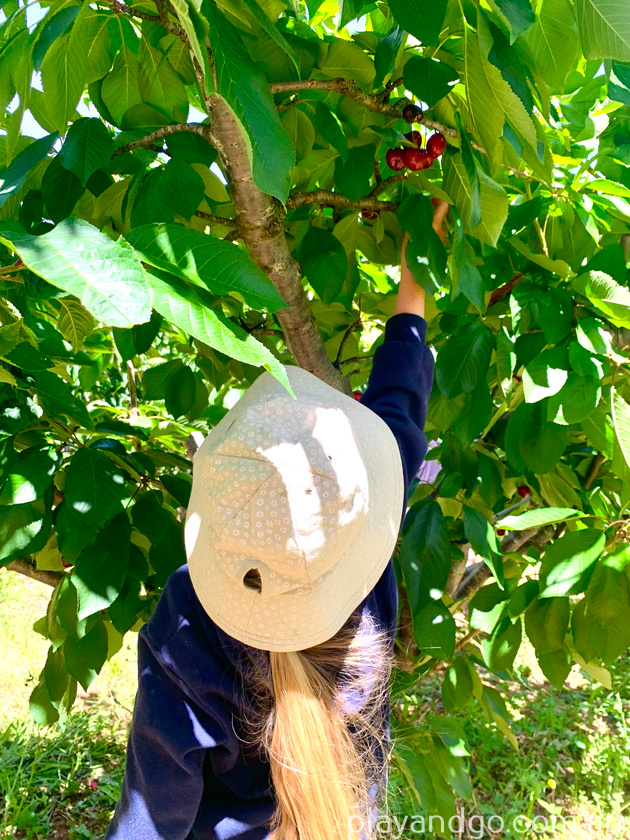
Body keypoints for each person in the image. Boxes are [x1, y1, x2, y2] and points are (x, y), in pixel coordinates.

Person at [104, 203, 446, 840]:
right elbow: (400, 407)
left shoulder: (189, 617)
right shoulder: (364, 548)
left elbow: (150, 817)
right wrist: (413, 289)